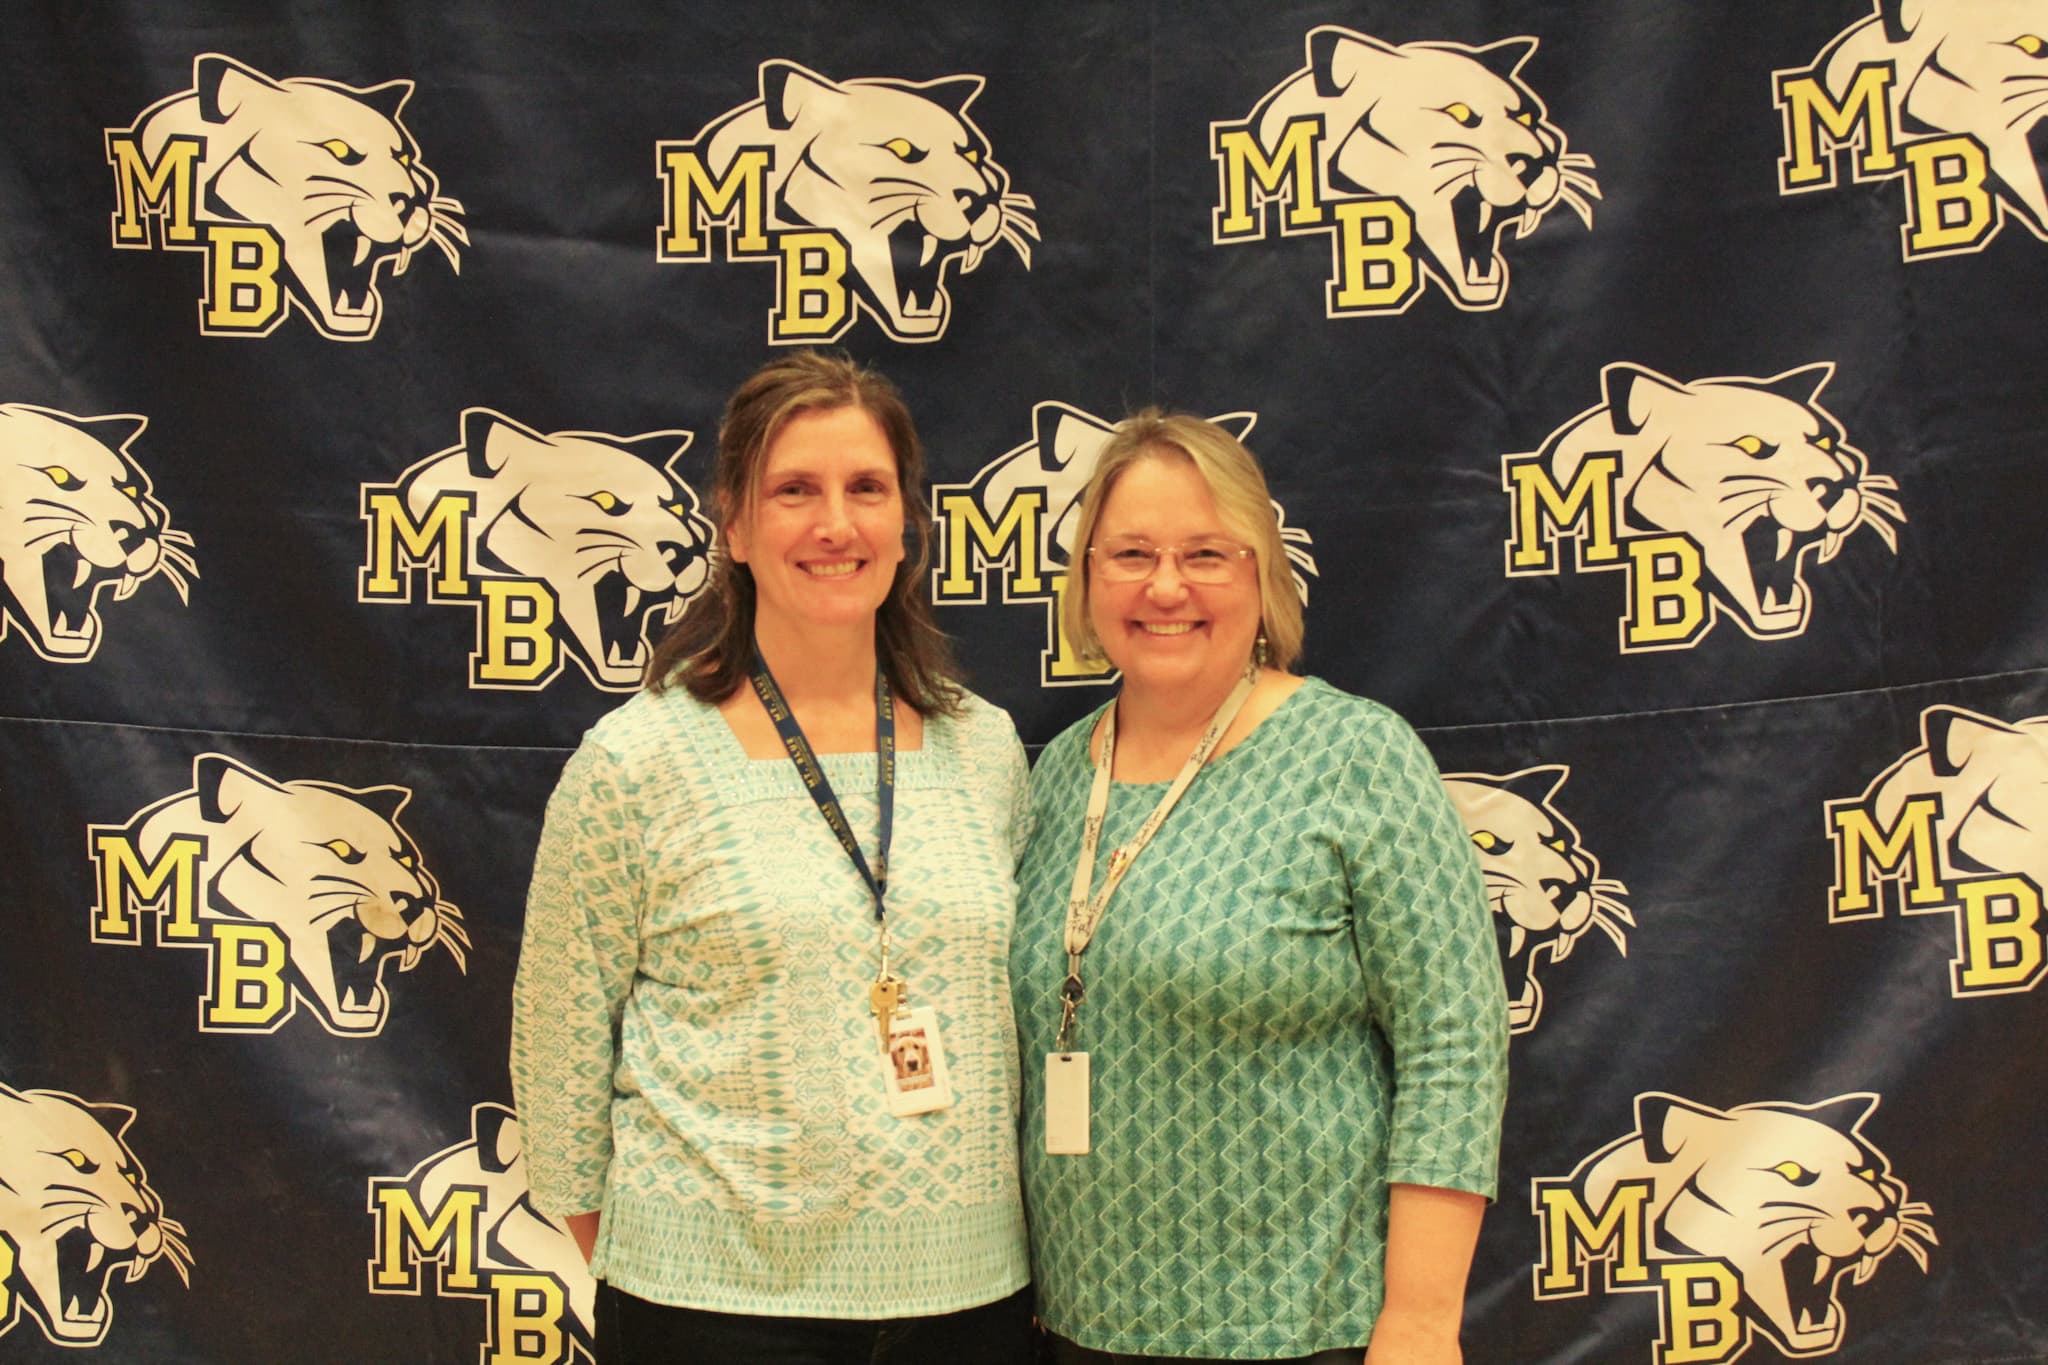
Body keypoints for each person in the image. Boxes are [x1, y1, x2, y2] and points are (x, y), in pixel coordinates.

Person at [510, 351, 1035, 1364]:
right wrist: (667, 1266)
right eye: (793, 490)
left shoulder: (984, 747)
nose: (834, 524)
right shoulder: (637, 763)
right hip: (714, 1310)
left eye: (865, 489)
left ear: (903, 523)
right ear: (735, 527)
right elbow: (559, 1048)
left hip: (970, 1302)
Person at [1012, 411, 1508, 1364]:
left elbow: (1455, 1045)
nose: (1166, 585)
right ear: (1086, 581)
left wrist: (1419, 1321)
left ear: (1263, 573)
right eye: (1131, 554)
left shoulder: (1357, 754)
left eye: (1206, 552)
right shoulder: (1059, 773)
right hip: (1079, 1330)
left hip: (1306, 1331)